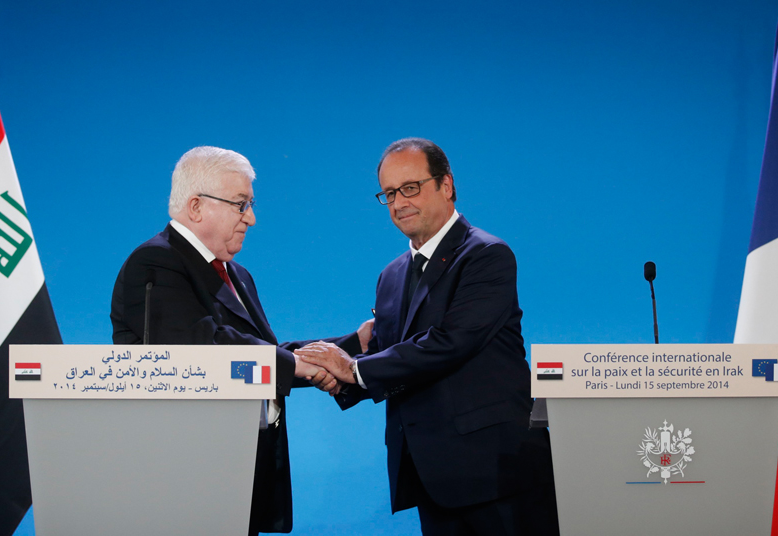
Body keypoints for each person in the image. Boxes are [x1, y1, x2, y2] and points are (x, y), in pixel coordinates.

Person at [296, 138, 559, 535]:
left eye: (410, 188)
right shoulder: (391, 275)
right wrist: (303, 363)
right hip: (431, 475)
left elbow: (451, 342)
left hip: (498, 473)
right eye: (388, 194)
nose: (399, 202)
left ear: (446, 185)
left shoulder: (486, 255)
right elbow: (386, 350)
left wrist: (351, 369)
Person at [110, 146, 362, 535]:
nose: (252, 218)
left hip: (242, 466)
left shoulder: (236, 274)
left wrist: (351, 346)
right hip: (188, 475)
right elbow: (201, 348)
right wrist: (302, 365)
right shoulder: (156, 262)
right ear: (196, 206)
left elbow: (253, 351)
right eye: (241, 205)